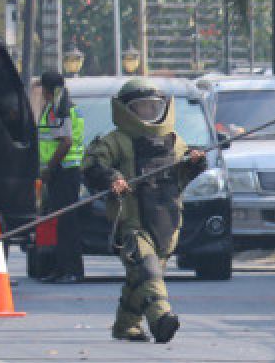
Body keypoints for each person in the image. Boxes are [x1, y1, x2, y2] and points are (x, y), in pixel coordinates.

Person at [82, 78, 206, 343]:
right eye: (142, 108)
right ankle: (161, 320)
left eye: (154, 107)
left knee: (141, 277)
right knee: (148, 269)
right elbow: (92, 166)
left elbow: (183, 173)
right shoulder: (116, 141)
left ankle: (126, 325)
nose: (149, 113)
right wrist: (112, 178)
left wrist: (196, 161)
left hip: (167, 221)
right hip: (132, 223)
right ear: (127, 110)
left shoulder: (175, 141)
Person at [37, 70, 86, 284]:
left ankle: (72, 270)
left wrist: (49, 167)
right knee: (59, 223)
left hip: (65, 171)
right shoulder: (54, 106)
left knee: (68, 223)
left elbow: (65, 142)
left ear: (48, 89)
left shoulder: (62, 108)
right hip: (59, 171)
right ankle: (60, 268)